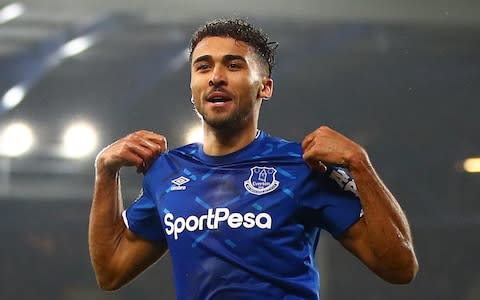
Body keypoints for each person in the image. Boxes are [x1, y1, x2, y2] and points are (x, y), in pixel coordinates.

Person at [88, 18, 418, 299]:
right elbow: (111, 272)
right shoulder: (168, 172)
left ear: (265, 87)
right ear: (192, 86)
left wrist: (359, 164)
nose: (216, 76)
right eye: (203, 67)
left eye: (233, 65)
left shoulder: (302, 166)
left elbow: (400, 267)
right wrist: (105, 172)